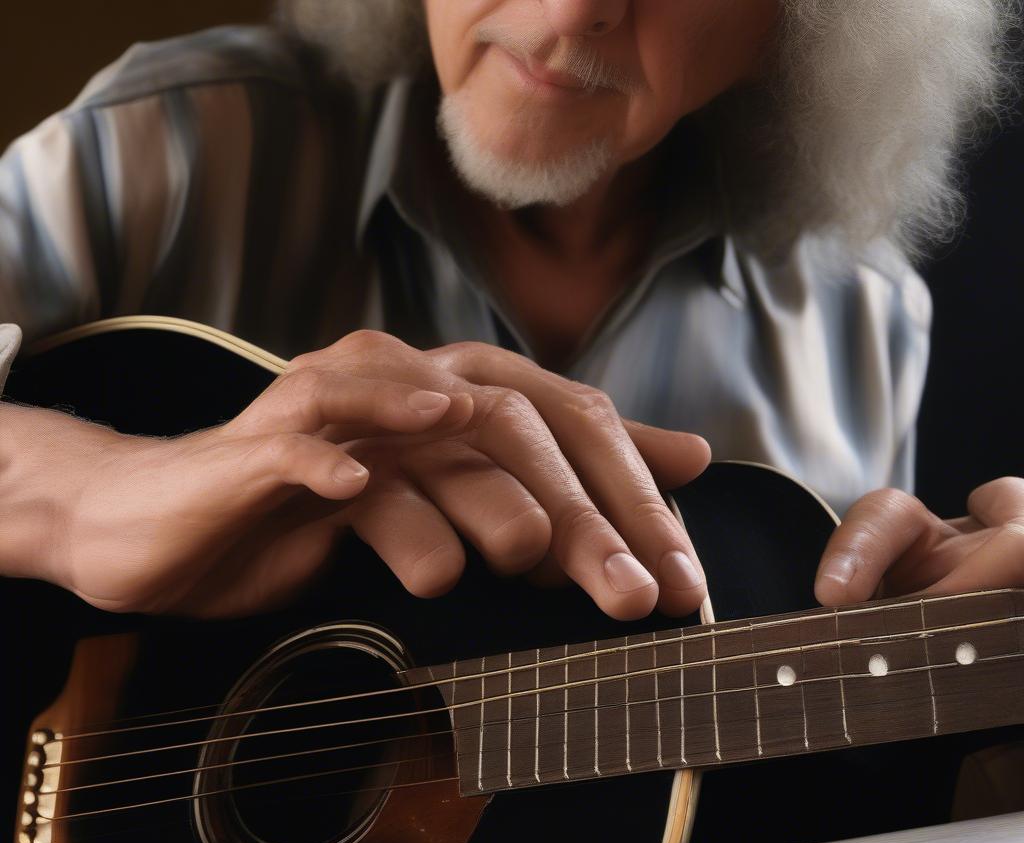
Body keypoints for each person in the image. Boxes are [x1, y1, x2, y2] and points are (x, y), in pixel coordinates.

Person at [0, 1, 1018, 630]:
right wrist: (80, 499)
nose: (571, 9)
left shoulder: (858, 312)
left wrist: (937, 646)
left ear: (804, 24)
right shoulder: (161, 150)